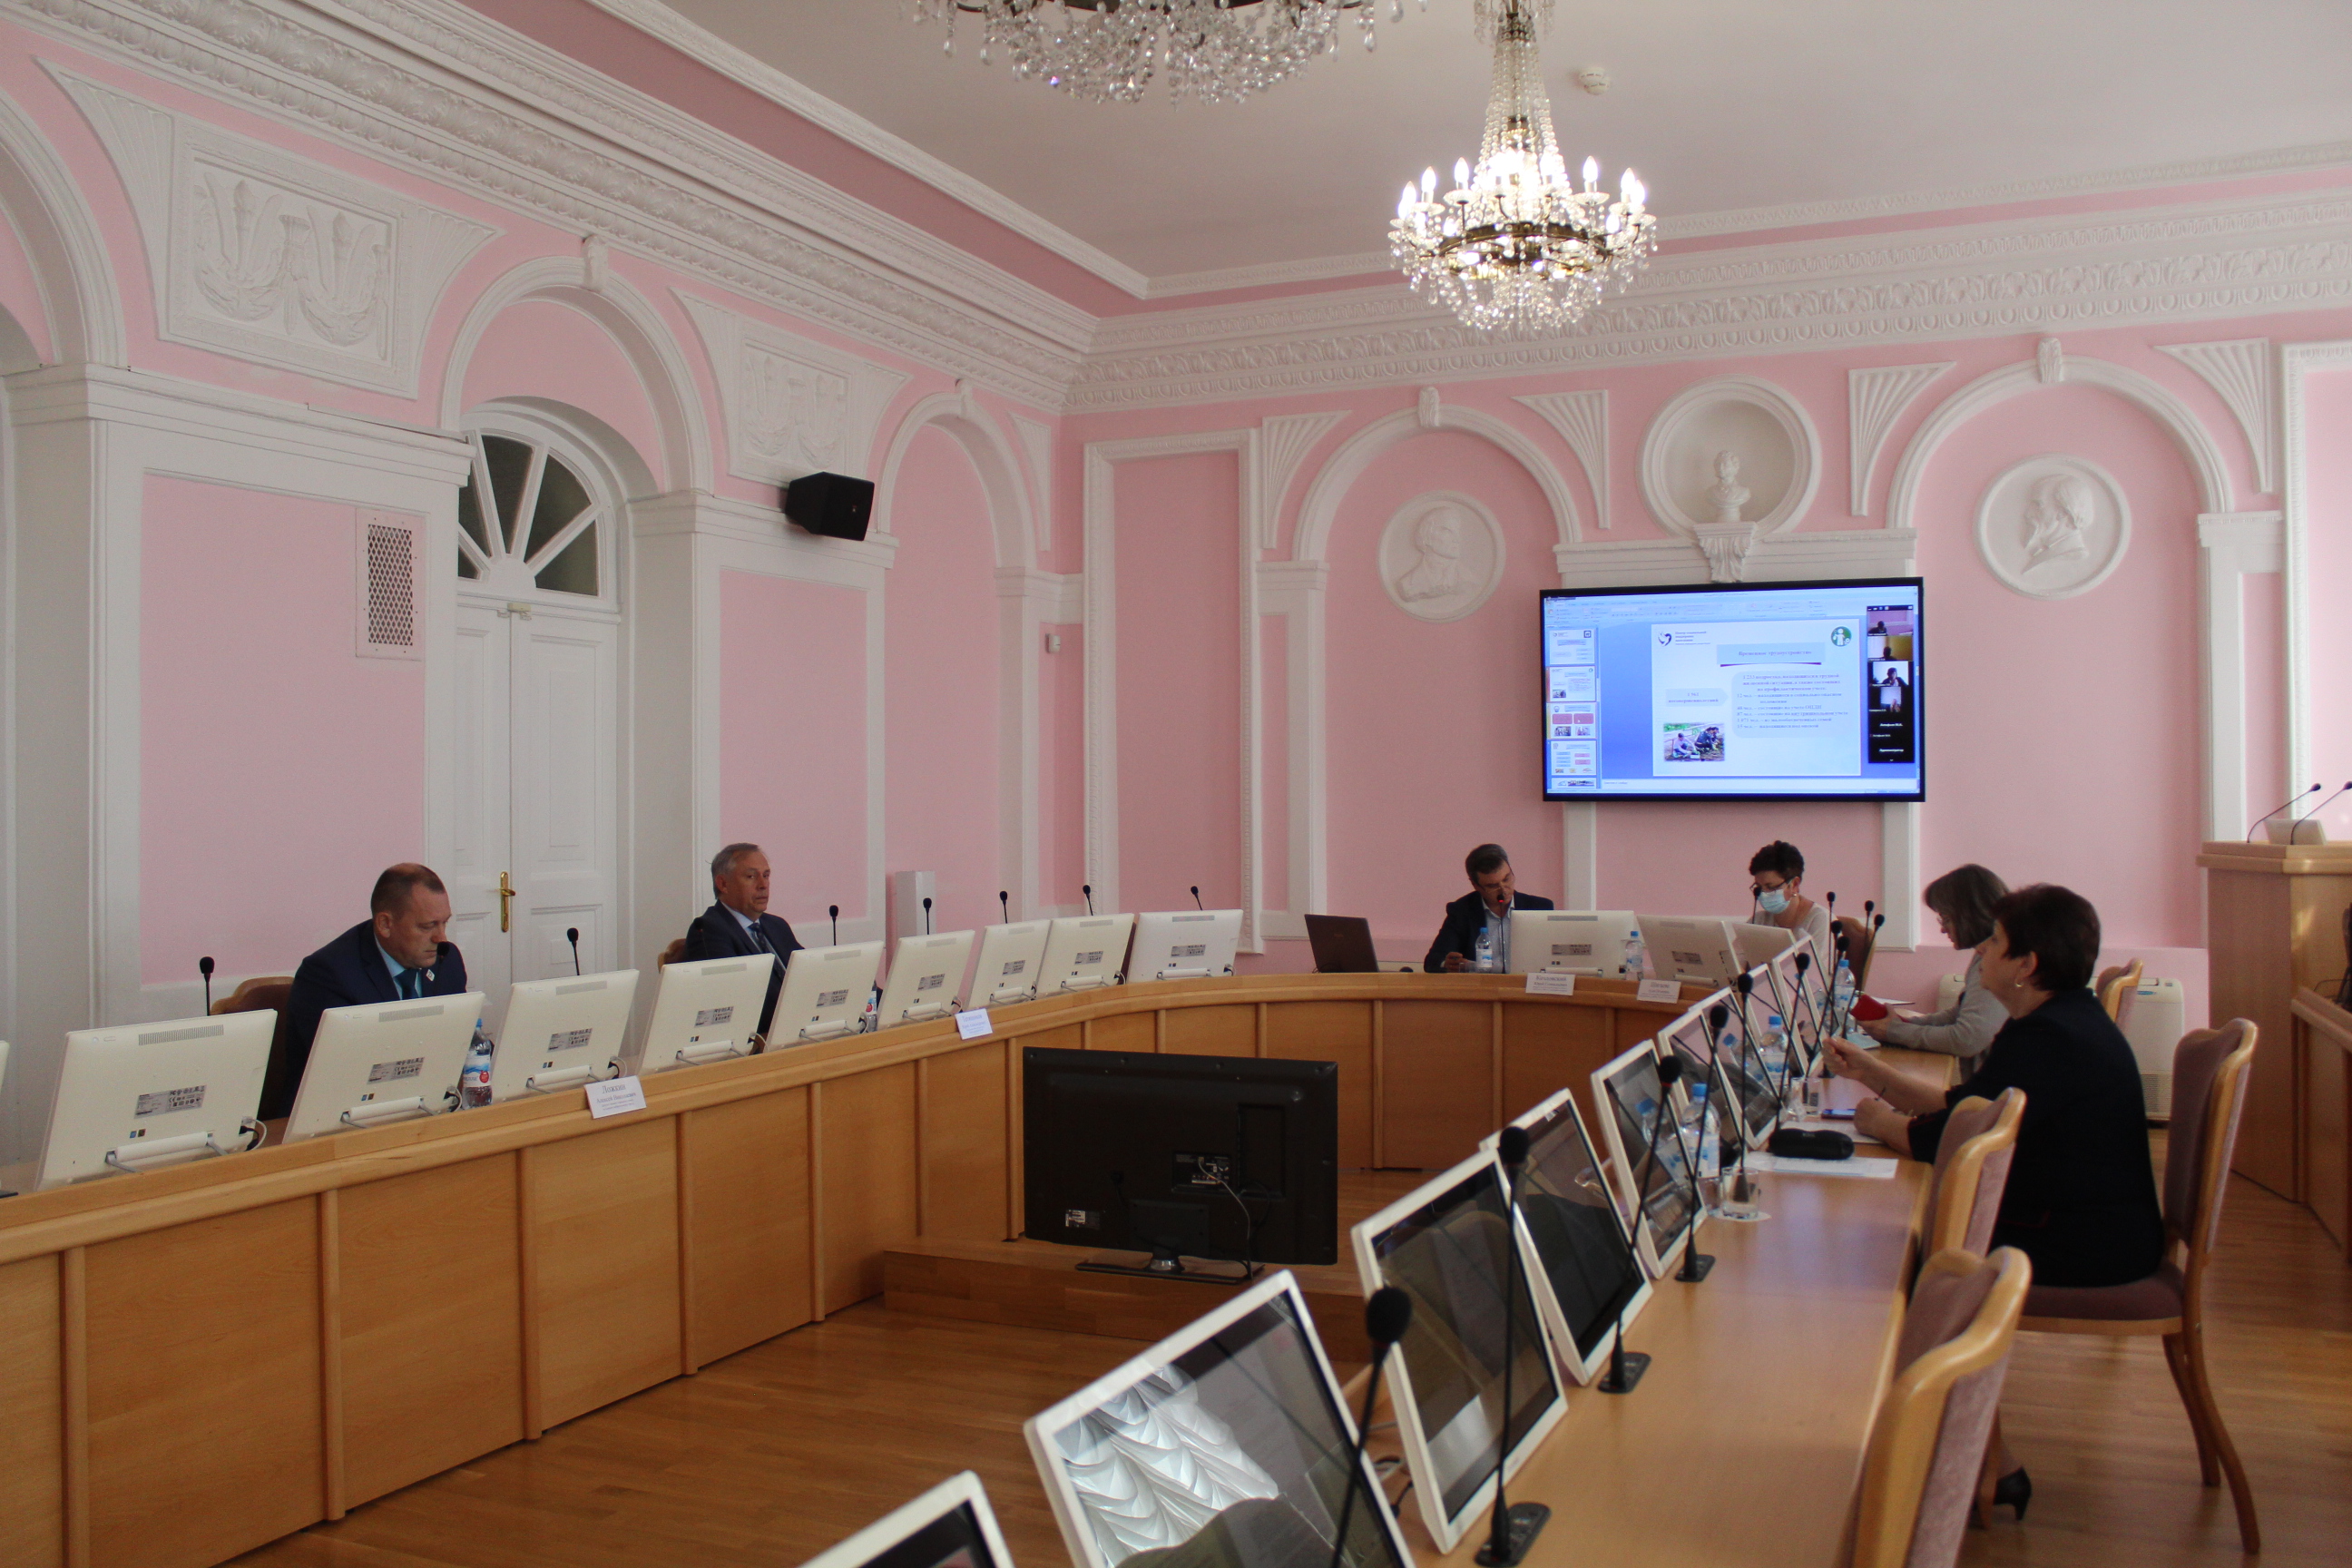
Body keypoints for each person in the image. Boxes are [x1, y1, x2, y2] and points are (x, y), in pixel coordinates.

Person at [1826, 883, 2164, 1289]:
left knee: (1884, 1242)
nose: (1982, 949)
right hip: (2096, 1231)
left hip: (2082, 1245)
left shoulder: (2048, 1039)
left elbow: (1945, 1140)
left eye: (1996, 940)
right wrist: (1869, 1073)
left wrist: (1877, 1121)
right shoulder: (2061, 1019)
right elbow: (1963, 1107)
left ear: (2026, 965)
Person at [271, 864, 471, 1122]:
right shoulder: (327, 974)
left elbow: (463, 1039)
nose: (441, 938)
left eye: (444, 923)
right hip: (337, 1120)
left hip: (424, 1108)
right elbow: (343, 1072)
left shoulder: (447, 960)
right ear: (385, 924)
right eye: (427, 926)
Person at [1860, 863, 2008, 1074]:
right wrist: (1905, 1024)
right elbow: (1960, 1013)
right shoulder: (1985, 953)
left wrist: (1896, 1032)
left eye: (1946, 918)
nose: (1942, 929)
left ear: (1970, 915)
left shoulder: (2000, 959)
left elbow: (1967, 1039)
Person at [684, 842, 803, 1039]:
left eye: (766, 875)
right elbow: (733, 999)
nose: (763, 885)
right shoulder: (709, 929)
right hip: (754, 1042)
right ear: (723, 884)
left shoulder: (777, 925)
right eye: (751, 877)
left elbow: (806, 974)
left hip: (795, 1030)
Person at [1425, 844, 1554, 972]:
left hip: (1526, 983)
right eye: (1493, 886)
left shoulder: (1540, 908)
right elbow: (1433, 961)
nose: (1503, 889)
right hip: (1481, 984)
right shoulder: (1462, 911)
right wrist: (1447, 964)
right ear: (1475, 885)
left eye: (1506, 879)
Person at [1747, 840, 1834, 962]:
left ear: (1794, 884)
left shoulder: (1820, 920)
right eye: (1759, 887)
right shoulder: (1759, 920)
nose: (1764, 894)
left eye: (1771, 887)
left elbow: (1813, 972)